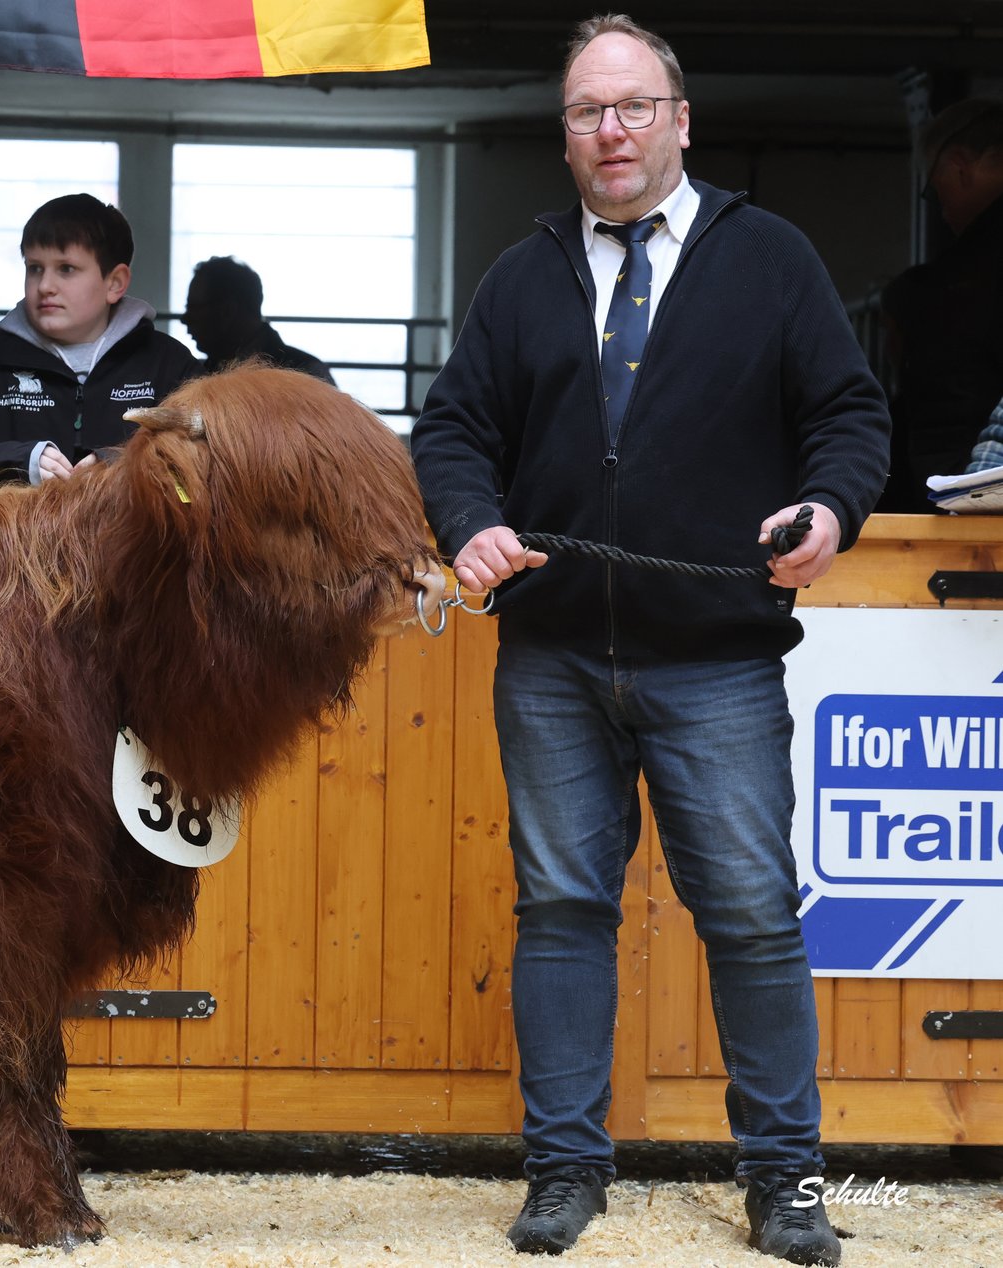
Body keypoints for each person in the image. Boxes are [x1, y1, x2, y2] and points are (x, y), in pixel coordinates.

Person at [409, 15, 888, 1264]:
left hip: (718, 654)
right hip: (553, 654)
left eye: (630, 107)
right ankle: (565, 1170)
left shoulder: (771, 259)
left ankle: (784, 1179)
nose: (608, 131)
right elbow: (452, 431)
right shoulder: (518, 278)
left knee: (748, 913)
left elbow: (847, 413)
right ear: (563, 135)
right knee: (561, 908)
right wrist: (468, 522)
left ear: (680, 120)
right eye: (584, 112)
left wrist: (830, 509)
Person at [0, 194, 198, 491]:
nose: (45, 285)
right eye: (34, 268)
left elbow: (211, 465)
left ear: (114, 283)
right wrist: (16, 464)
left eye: (66, 269)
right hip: (10, 549)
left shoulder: (166, 363)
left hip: (133, 549)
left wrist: (121, 466)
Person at [877, 97, 1003, 511]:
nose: (941, 209)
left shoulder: (944, 287)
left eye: (933, 190)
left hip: (965, 504)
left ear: (958, 165)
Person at [181, 256, 335, 383]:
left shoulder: (307, 374)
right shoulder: (196, 371)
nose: (184, 319)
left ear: (227, 311)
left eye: (194, 307)